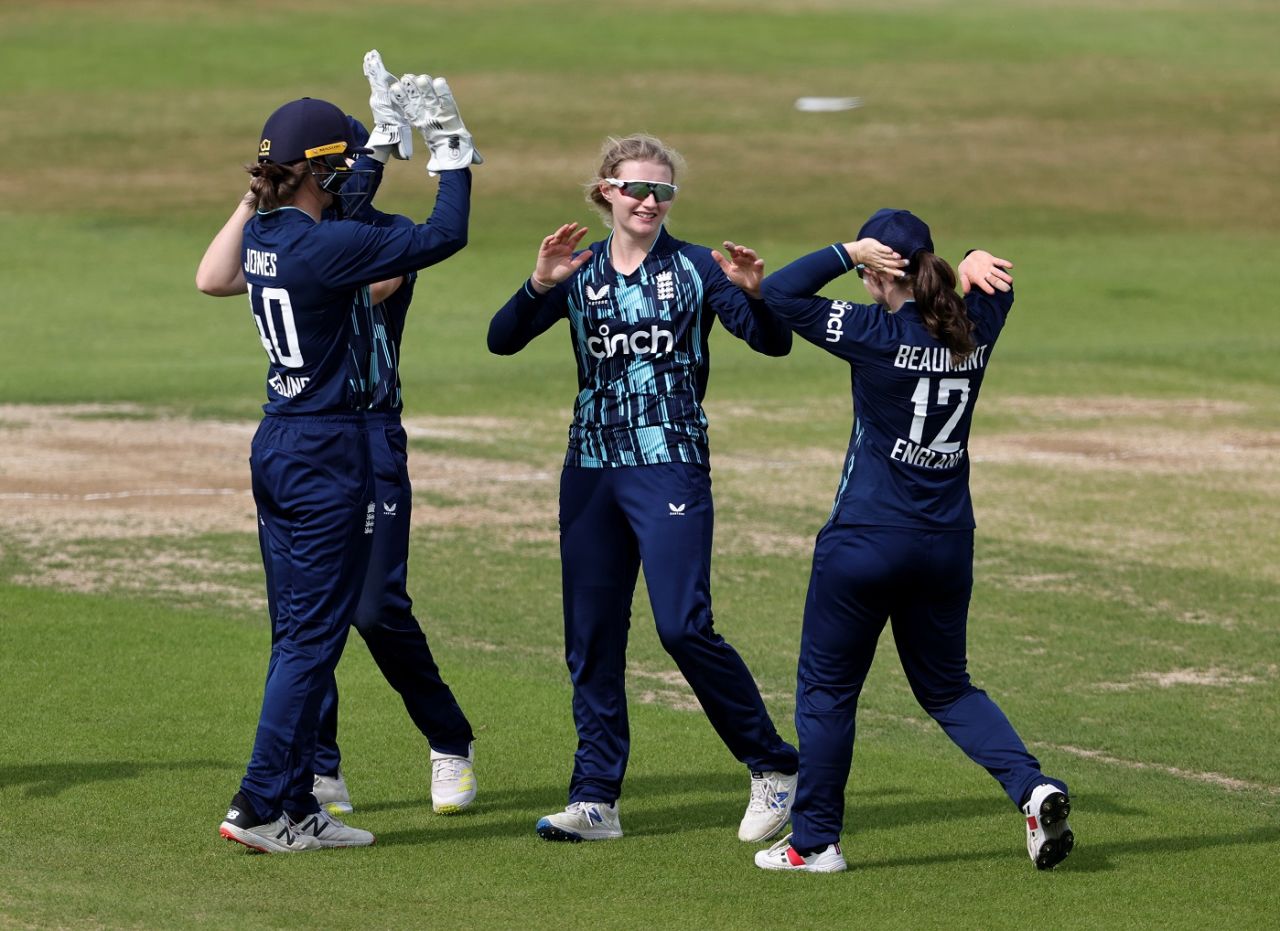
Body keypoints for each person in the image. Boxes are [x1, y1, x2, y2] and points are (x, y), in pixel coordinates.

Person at [487, 134, 800, 844]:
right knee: (592, 637)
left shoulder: (695, 268)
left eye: (662, 192)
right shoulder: (580, 268)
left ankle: (774, 766)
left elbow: (770, 340)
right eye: (635, 189)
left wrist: (757, 295)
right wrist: (539, 284)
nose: (649, 202)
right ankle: (595, 796)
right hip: (591, 467)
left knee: (682, 624)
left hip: (670, 462)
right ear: (605, 192)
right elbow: (501, 339)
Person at [197, 53, 478, 823]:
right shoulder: (330, 246)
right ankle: (277, 797)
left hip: (306, 439)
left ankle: (302, 796)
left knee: (334, 620)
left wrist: (317, 168)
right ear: (326, 172)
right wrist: (447, 149)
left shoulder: (289, 240)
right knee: (308, 633)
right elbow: (441, 233)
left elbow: (343, 230)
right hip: (327, 447)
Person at [750, 209, 1073, 873]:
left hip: (865, 540)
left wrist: (842, 249)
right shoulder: (973, 323)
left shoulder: (868, 328)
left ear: (874, 271)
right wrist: (977, 251)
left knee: (829, 694)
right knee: (949, 688)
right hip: (947, 542)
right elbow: (997, 282)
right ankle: (1031, 787)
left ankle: (814, 844)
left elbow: (779, 293)